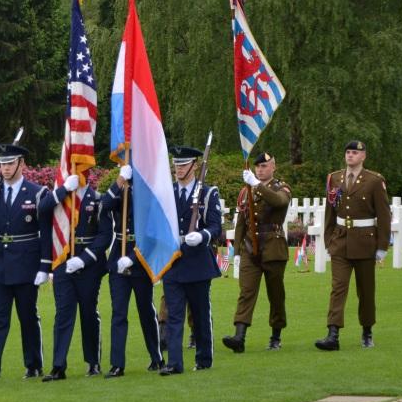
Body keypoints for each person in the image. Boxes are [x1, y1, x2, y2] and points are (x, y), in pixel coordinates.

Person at [0, 144, 52, 384]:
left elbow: (45, 233)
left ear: (21, 164)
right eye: (2, 164)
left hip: (26, 262)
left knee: (27, 316)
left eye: (9, 164)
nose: (5, 169)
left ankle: (34, 364)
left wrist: (44, 266)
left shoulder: (37, 193)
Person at [315, 140, 392, 351]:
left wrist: (382, 246)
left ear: (363, 156)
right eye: (348, 152)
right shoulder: (335, 178)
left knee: (365, 291)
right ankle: (333, 334)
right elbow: (330, 211)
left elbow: (384, 215)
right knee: (338, 288)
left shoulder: (375, 181)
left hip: (366, 242)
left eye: (355, 153)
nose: (350, 156)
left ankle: (367, 330)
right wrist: (328, 241)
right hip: (340, 241)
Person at [37, 172, 109, 381]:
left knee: (88, 313)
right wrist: (63, 190)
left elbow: (105, 235)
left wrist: (85, 258)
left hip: (89, 265)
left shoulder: (97, 199)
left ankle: (93, 362)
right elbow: (43, 209)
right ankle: (58, 366)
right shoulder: (61, 197)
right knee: (63, 314)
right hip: (63, 261)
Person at [160, 146, 222, 375]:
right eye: (176, 165)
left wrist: (203, 235)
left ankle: (204, 359)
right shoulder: (168, 192)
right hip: (174, 261)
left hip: (197, 262)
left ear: (195, 166)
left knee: (200, 314)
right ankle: (174, 363)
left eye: (184, 165)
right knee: (174, 314)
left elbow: (216, 226)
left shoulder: (207, 193)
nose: (178, 169)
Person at [99, 164, 165, 378]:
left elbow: (154, 234)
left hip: (141, 260)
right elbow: (104, 205)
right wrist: (119, 180)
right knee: (119, 313)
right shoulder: (122, 189)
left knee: (146, 310)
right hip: (118, 256)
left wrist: (134, 258)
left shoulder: (150, 194)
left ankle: (156, 357)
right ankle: (117, 364)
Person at [222, 152, 291, 353]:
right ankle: (239, 336)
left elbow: (279, 202)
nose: (260, 170)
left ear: (273, 167)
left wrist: (256, 185)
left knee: (275, 293)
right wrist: (236, 250)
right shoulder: (246, 191)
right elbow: (242, 220)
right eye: (258, 167)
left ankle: (276, 334)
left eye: (264, 166)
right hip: (250, 248)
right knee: (246, 292)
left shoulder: (281, 187)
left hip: (273, 247)